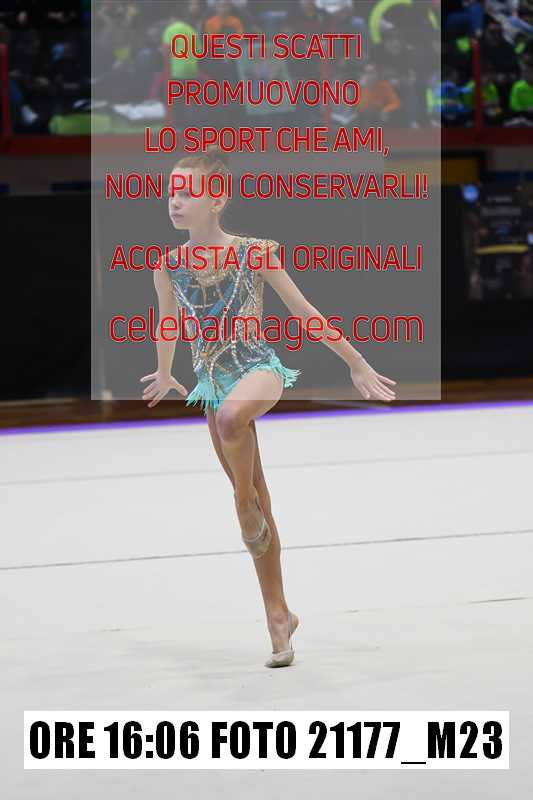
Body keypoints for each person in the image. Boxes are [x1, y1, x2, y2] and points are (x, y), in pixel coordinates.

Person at [140, 147, 397, 668]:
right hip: (213, 383)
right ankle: (279, 617)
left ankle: (241, 502)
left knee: (236, 437)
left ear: (217, 199)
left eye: (187, 192)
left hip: (259, 370)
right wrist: (165, 371)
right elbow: (168, 322)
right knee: (261, 499)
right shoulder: (168, 266)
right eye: (171, 191)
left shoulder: (254, 252)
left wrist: (355, 361)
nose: (174, 201)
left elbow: (304, 312)